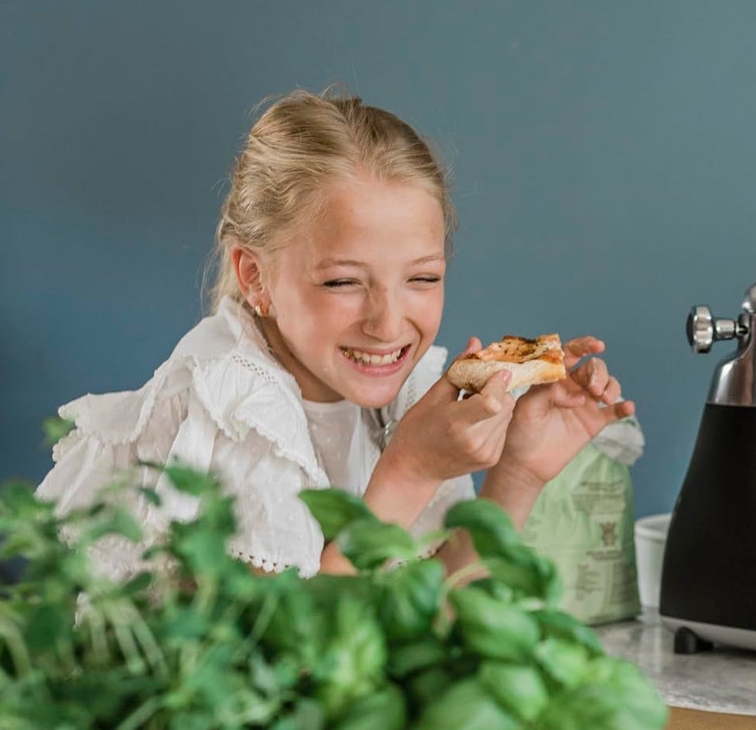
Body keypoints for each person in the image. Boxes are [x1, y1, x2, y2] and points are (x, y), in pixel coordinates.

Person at [40, 89, 633, 577]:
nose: (389, 323)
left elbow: (437, 629)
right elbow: (294, 673)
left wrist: (520, 472)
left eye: (422, 278)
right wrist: (409, 473)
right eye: (344, 283)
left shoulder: (405, 400)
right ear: (257, 276)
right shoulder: (228, 413)